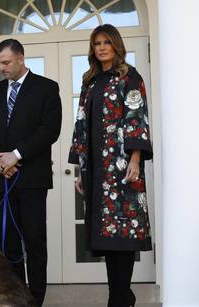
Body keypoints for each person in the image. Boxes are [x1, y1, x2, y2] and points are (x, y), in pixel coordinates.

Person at [69, 24, 153, 307]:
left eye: (106, 42)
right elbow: (80, 124)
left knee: (123, 235)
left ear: (116, 45)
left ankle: (119, 297)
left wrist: (136, 159)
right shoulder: (89, 81)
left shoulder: (129, 77)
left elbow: (136, 117)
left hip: (121, 169)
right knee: (106, 239)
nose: (101, 47)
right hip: (95, 171)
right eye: (96, 43)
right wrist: (81, 169)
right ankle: (120, 295)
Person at [0, 38, 62, 307]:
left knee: (34, 243)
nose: (1, 67)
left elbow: (50, 129)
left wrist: (17, 155)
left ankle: (35, 300)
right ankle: (15, 300)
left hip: (32, 179)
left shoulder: (46, 88)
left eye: (6, 62)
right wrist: (0, 161)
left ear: (21, 58)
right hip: (2, 180)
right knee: (7, 246)